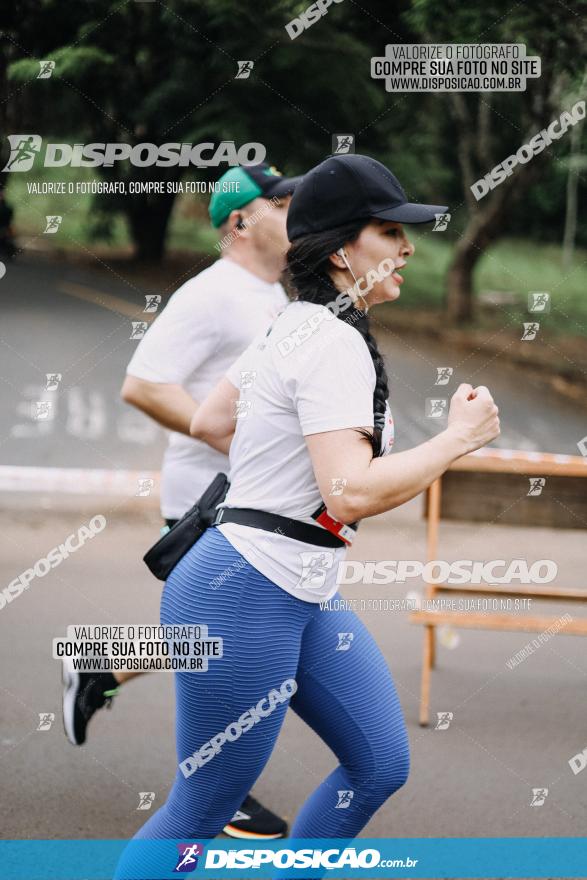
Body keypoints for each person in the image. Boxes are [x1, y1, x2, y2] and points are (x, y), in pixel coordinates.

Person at [114, 153, 499, 878]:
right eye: (390, 231)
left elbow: (209, 419)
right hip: (245, 590)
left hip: (298, 584)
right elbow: (350, 493)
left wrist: (277, 472)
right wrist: (458, 440)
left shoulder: (294, 320)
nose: (408, 248)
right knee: (203, 804)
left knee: (378, 764)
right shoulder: (329, 339)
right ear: (343, 246)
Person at [61, 161, 302, 840]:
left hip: (250, 498)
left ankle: (99, 666)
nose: (294, 213)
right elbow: (143, 384)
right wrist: (233, 442)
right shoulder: (211, 294)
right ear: (239, 221)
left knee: (218, 637)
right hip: (209, 499)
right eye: (281, 204)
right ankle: (222, 794)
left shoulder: (273, 296)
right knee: (233, 642)